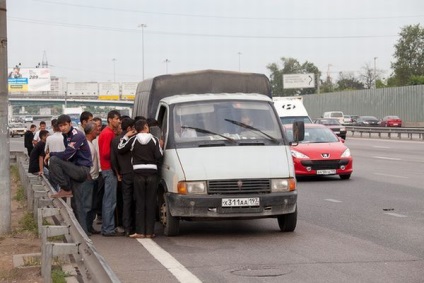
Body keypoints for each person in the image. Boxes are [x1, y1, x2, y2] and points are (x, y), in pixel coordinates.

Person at [118, 119, 163, 239]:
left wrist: (125, 137)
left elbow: (120, 148)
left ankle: (140, 232)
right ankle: (150, 232)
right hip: (152, 173)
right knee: (150, 202)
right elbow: (159, 155)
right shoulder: (154, 139)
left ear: (136, 129)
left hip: (138, 173)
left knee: (140, 202)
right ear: (146, 127)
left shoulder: (133, 139)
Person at [44, 114, 92, 199]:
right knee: (76, 203)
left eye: (65, 125)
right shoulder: (66, 136)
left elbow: (66, 155)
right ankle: (64, 189)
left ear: (70, 124)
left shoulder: (77, 135)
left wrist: (51, 154)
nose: (63, 128)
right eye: (60, 126)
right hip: (74, 167)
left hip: (82, 170)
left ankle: (66, 189)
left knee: (54, 160)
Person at [98, 110, 122, 237]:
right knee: (110, 200)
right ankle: (108, 228)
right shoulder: (108, 134)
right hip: (108, 169)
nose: (118, 121)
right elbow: (106, 153)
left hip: (107, 169)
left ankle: (107, 227)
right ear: (109, 119)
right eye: (116, 119)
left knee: (108, 200)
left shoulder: (108, 132)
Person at [111, 117, 136, 237]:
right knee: (136, 199)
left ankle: (127, 227)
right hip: (136, 172)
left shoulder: (115, 140)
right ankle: (136, 226)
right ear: (130, 128)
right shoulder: (135, 138)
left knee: (126, 200)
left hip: (124, 173)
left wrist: (118, 173)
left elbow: (113, 160)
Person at [77, 122, 100, 236]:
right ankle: (84, 229)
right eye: (96, 129)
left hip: (94, 178)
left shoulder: (91, 144)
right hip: (88, 179)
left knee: (93, 205)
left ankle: (89, 227)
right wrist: (88, 176)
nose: (98, 131)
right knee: (86, 205)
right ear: (91, 132)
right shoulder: (86, 146)